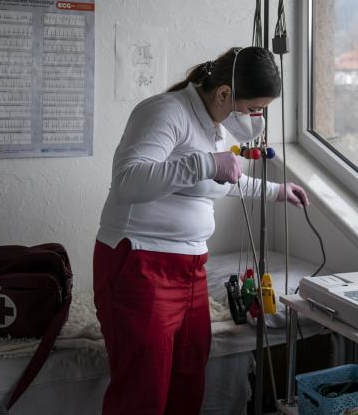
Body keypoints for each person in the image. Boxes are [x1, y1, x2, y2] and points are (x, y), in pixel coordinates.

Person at [93, 46, 309, 415]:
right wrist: (205, 163)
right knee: (143, 394)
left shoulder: (213, 126)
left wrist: (276, 192)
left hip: (190, 268)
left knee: (188, 385)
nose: (256, 118)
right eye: (254, 108)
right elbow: (128, 181)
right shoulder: (164, 112)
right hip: (141, 264)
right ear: (225, 94)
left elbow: (221, 180)